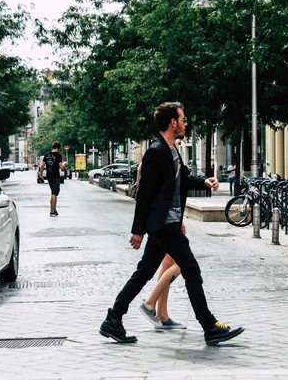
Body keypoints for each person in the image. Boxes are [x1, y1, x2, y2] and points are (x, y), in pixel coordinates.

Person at [99, 101, 244, 346]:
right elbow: (144, 193)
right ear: (172, 122)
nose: (185, 123)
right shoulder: (156, 151)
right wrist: (138, 230)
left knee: (144, 272)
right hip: (163, 224)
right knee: (192, 270)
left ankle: (113, 319)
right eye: (183, 119)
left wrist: (204, 182)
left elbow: (182, 179)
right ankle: (209, 326)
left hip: (167, 223)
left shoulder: (173, 150)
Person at [38, 141, 65, 217]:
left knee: (53, 192)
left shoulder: (46, 155)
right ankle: (52, 211)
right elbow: (61, 167)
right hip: (55, 175)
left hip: (49, 176)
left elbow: (42, 166)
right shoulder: (58, 155)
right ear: (59, 148)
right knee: (54, 193)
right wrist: (64, 165)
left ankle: (54, 209)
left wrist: (41, 175)